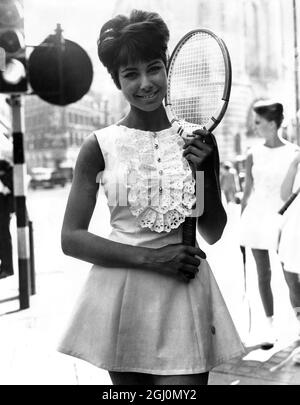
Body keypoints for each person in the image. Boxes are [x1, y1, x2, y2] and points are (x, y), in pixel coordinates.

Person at [57, 9, 244, 385]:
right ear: (118, 81)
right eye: (130, 74)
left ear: (168, 68)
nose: (145, 83)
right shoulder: (99, 146)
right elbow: (71, 238)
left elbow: (213, 231)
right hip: (122, 298)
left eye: (154, 68)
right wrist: (153, 257)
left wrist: (204, 172)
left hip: (185, 294)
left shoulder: (199, 138)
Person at [240, 100, 299, 341]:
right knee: (262, 275)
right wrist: (241, 223)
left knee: (291, 277)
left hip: (284, 219)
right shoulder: (252, 153)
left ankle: (298, 326)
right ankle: (269, 326)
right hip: (255, 218)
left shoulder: (294, 153)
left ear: (273, 124)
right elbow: (247, 192)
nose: (254, 127)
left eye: (258, 122)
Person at [278, 150, 300, 335]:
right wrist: (294, 164)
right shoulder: (296, 158)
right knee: (293, 285)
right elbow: (285, 195)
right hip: (293, 232)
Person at [0, 159, 14, 279]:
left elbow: (7, 189)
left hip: (4, 211)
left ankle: (7, 268)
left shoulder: (10, 173)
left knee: (4, 239)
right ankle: (4, 267)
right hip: (4, 210)